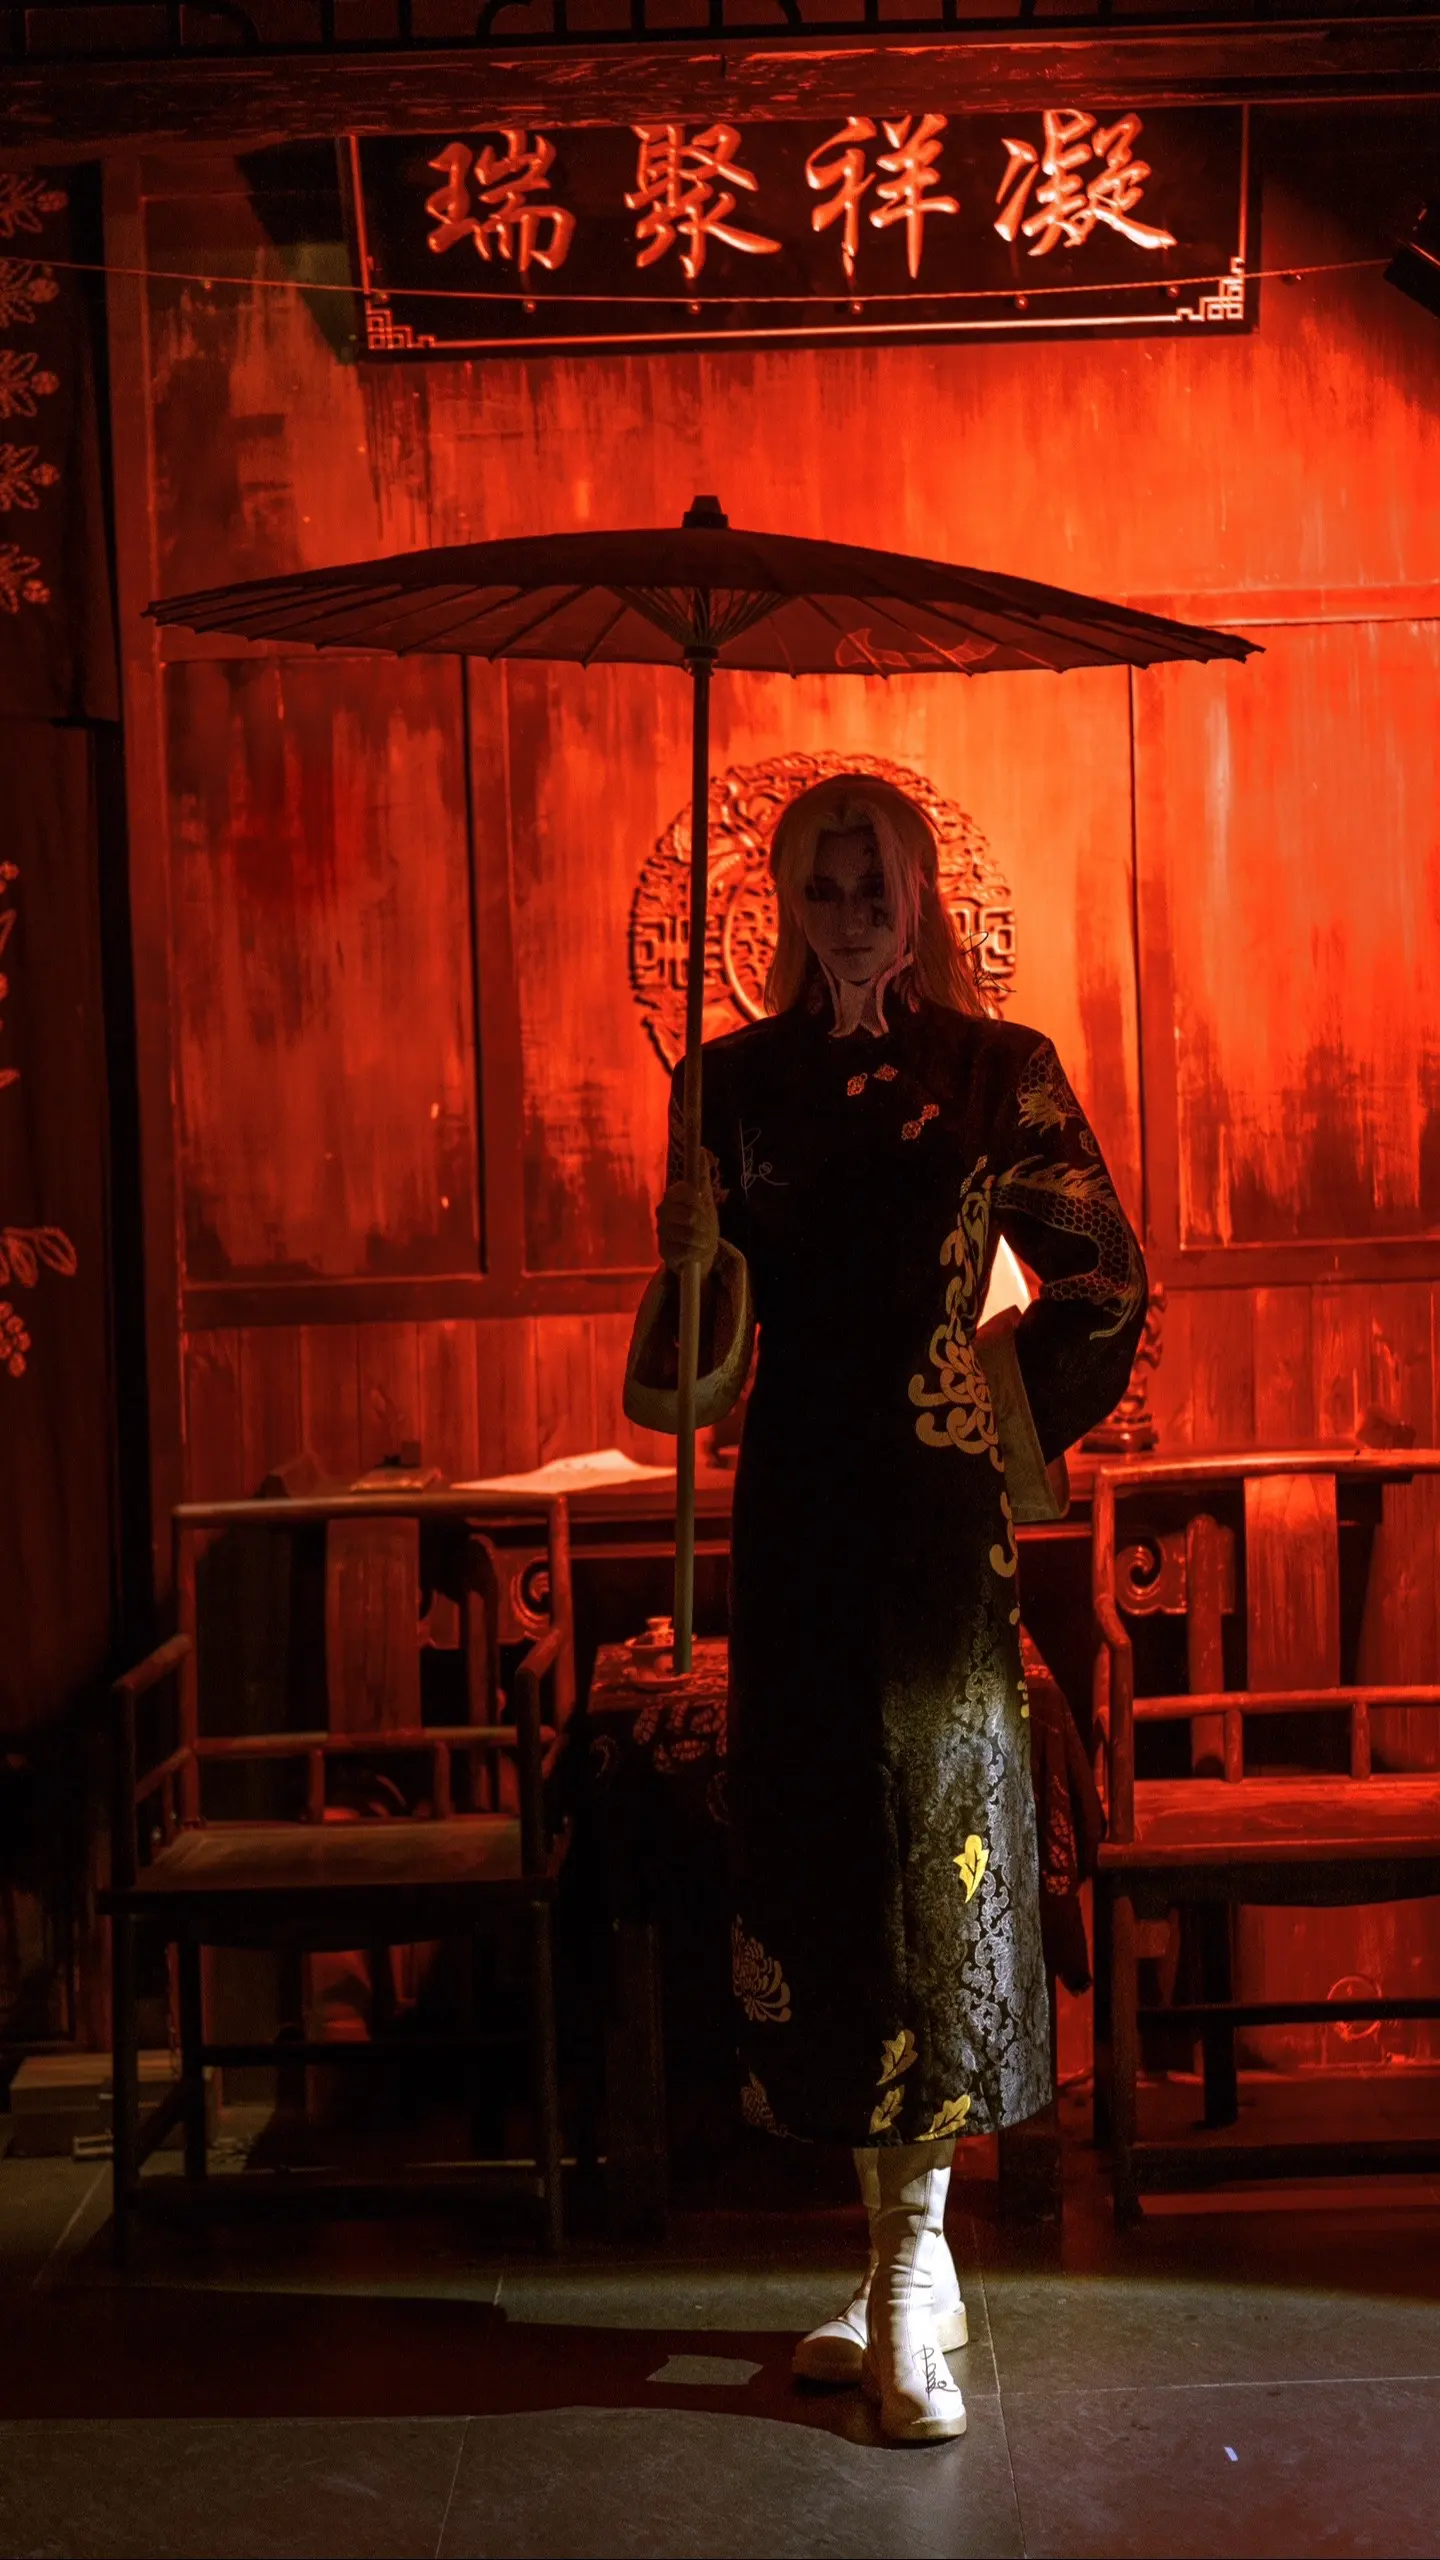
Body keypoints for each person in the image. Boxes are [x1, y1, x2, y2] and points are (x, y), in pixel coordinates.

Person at [628, 773, 1146, 2443]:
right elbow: (694, 1372)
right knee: (823, 1863)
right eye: (821, 886)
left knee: (937, 1857)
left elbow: (1104, 1274)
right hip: (794, 1510)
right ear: (785, 905)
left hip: (932, 1523)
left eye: (874, 883)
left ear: (918, 896)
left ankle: (918, 2261)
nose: (849, 912)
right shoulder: (725, 1087)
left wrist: (993, 1394)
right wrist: (690, 1255)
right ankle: (883, 2254)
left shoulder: (1000, 1072)